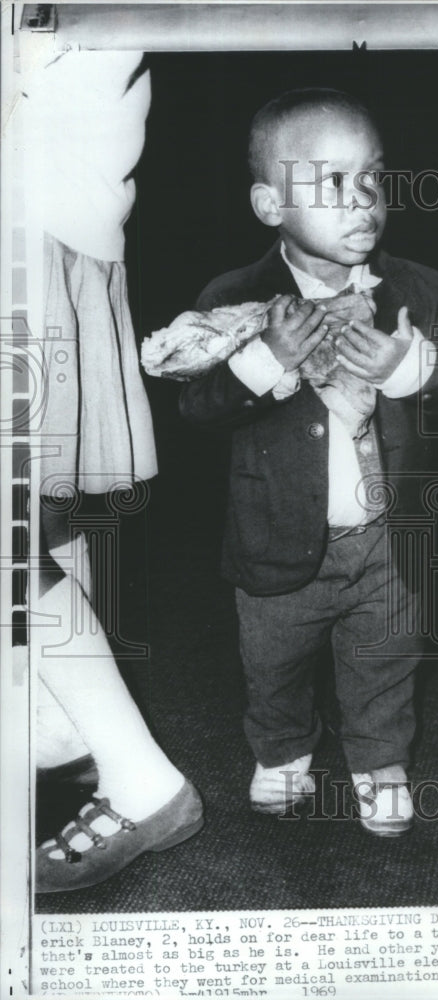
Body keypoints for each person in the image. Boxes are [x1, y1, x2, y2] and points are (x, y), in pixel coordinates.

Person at [179, 88, 438, 836]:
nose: (360, 200)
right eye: (330, 183)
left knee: (385, 660)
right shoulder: (232, 299)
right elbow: (195, 410)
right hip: (274, 538)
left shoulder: (422, 291)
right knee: (273, 667)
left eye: (372, 177)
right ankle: (280, 750)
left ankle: (379, 760)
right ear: (270, 204)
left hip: (385, 541)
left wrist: (408, 369)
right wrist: (263, 363)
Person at [26, 49, 203, 892]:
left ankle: (139, 777)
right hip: (49, 220)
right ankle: (59, 727)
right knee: (36, 506)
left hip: (32, 221)